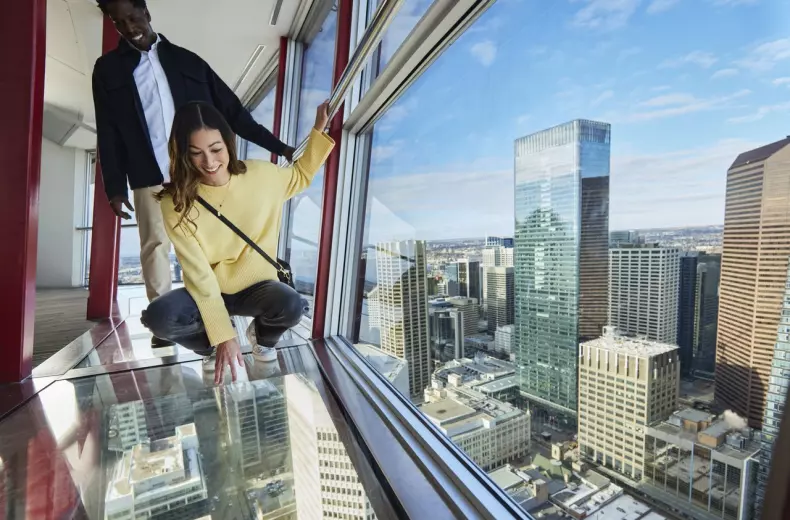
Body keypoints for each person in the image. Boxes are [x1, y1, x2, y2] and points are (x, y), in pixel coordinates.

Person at [93, 0, 295, 347]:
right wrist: (114, 186)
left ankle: (222, 310)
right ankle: (166, 323)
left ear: (147, 11)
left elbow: (234, 112)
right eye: (118, 22)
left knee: (209, 245)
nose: (128, 26)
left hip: (199, 172)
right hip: (149, 173)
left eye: (132, 16)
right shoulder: (107, 70)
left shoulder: (187, 60)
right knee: (154, 244)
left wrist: (280, 147)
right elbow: (107, 131)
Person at [141, 100, 333, 384]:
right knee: (159, 318)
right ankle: (206, 347)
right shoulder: (177, 202)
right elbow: (199, 274)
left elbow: (301, 175)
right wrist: (222, 337)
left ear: (228, 143)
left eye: (216, 149)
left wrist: (319, 129)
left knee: (292, 305)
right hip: (209, 289)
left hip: (258, 289)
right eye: (196, 153)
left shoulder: (262, 176)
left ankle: (262, 339)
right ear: (183, 155)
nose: (209, 162)